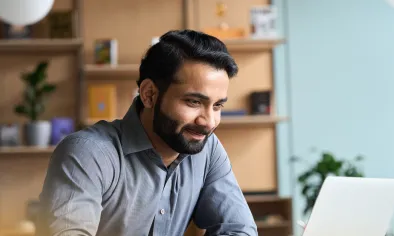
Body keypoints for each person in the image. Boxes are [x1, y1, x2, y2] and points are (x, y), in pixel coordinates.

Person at [35, 29, 258, 236]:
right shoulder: (88, 153)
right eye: (193, 101)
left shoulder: (207, 149)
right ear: (149, 94)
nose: (209, 122)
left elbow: (239, 230)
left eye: (218, 106)